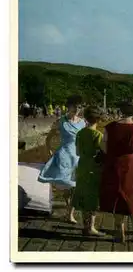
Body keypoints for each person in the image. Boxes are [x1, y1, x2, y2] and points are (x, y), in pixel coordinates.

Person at [100, 100, 133, 243]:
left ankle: (120, 234)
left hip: (114, 163)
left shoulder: (109, 127)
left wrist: (113, 154)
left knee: (117, 196)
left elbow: (104, 147)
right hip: (130, 164)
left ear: (120, 112)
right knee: (131, 197)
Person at [38, 95, 85, 224]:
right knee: (67, 186)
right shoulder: (61, 121)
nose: (76, 109)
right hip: (64, 156)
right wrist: (49, 150)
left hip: (78, 157)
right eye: (74, 106)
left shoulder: (83, 123)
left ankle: (70, 213)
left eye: (79, 106)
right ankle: (69, 212)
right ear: (68, 106)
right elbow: (48, 138)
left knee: (76, 186)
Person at [72, 106, 106, 236]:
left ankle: (85, 225)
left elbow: (77, 152)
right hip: (93, 167)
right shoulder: (98, 135)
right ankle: (90, 227)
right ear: (98, 119)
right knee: (92, 197)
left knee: (82, 193)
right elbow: (103, 153)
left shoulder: (80, 133)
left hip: (82, 165)